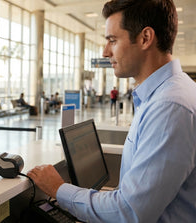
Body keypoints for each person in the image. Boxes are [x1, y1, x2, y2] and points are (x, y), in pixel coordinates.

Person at [28, 0, 196, 222]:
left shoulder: (169, 107)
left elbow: (128, 211)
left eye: (112, 41)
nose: (106, 52)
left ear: (145, 38)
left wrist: (59, 189)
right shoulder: (163, 96)